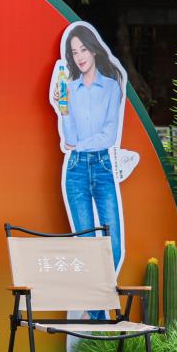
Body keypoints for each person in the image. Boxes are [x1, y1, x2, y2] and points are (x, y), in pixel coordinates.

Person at [52, 22, 126, 273]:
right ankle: (95, 298)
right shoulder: (70, 88)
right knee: (85, 246)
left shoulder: (111, 87)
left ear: (93, 50)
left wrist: (79, 145)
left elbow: (109, 135)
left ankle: (99, 299)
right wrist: (63, 110)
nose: (80, 57)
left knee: (113, 245)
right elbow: (70, 137)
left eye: (83, 49)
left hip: (102, 165)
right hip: (76, 169)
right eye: (74, 52)